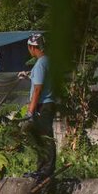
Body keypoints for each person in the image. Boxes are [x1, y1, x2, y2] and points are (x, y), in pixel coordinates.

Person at [21, 33, 57, 184]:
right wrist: (29, 76)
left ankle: (46, 170)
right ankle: (42, 168)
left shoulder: (41, 64)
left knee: (44, 137)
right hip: (48, 104)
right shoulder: (47, 61)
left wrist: (30, 111)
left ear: (32, 47)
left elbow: (38, 89)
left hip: (43, 105)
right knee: (41, 137)